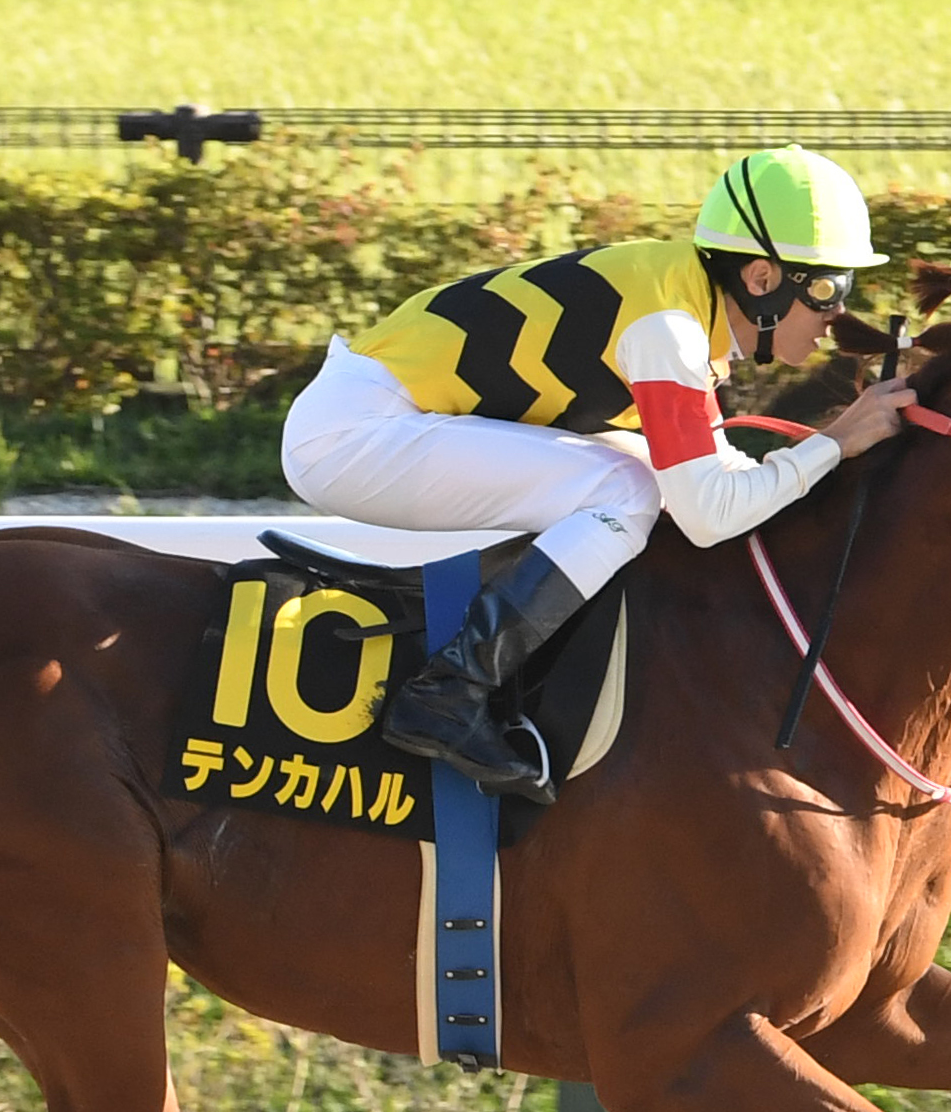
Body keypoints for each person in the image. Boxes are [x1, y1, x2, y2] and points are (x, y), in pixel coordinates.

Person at [279, 144, 918, 800]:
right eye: (829, 289)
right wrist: (833, 445)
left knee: (639, 475)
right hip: (354, 434)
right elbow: (710, 514)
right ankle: (451, 689)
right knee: (626, 487)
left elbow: (719, 481)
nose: (840, 315)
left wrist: (826, 457)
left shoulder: (680, 300)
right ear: (761, 278)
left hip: (376, 415)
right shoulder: (667, 327)